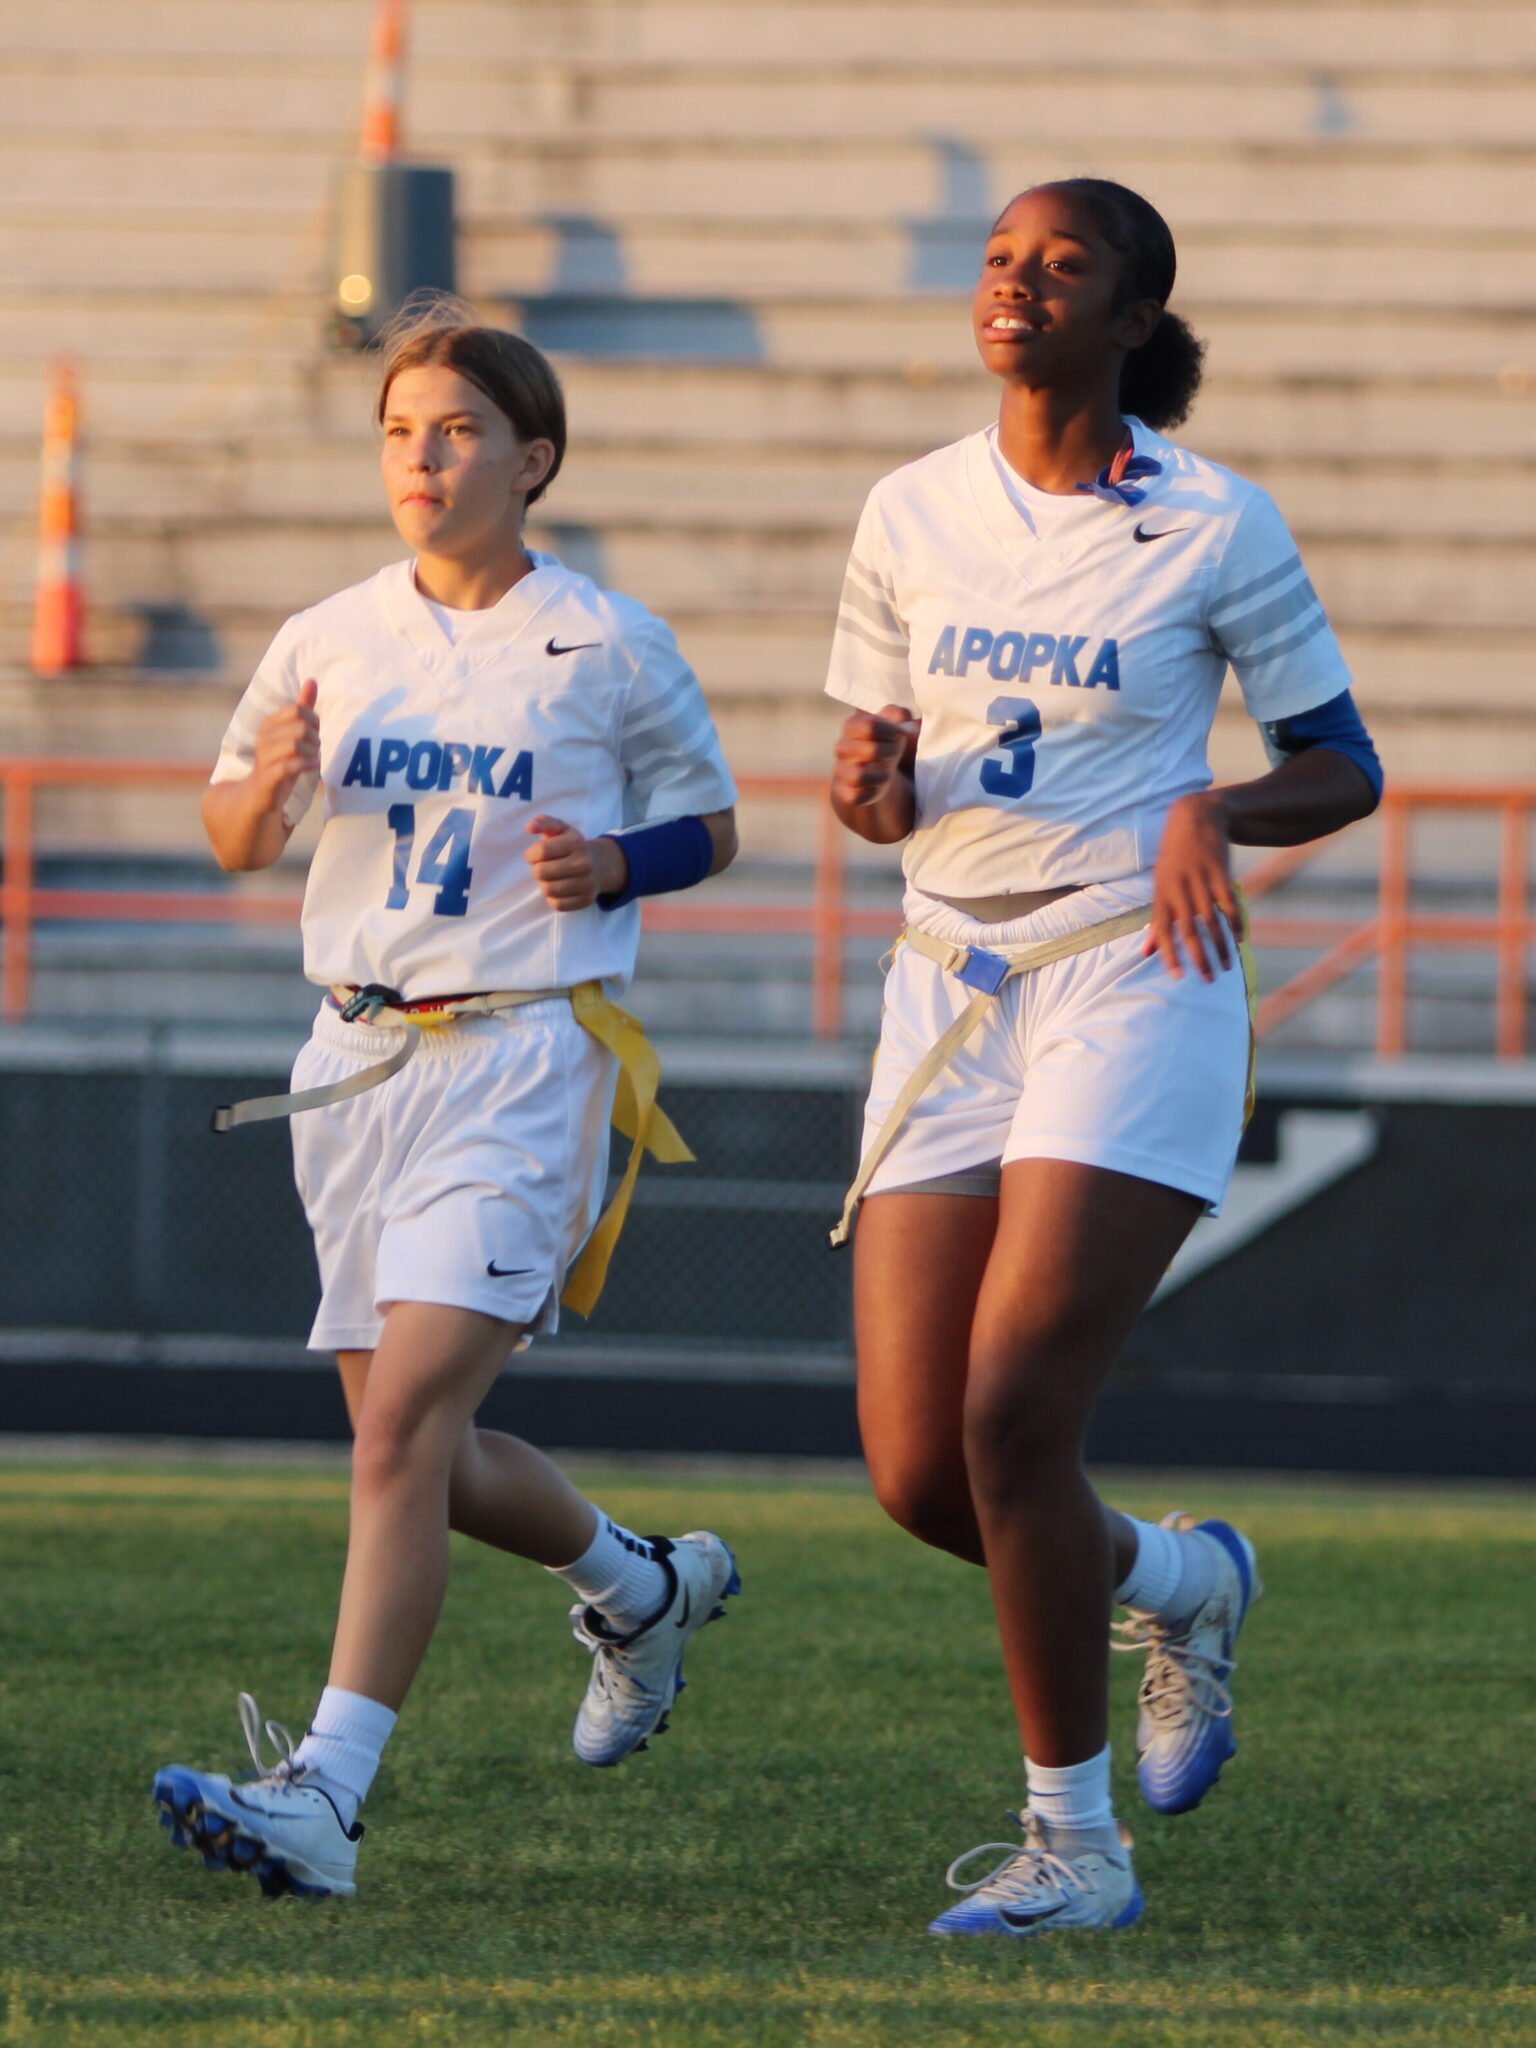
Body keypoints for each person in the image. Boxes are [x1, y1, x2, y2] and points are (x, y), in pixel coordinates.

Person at [826, 179, 1382, 1938]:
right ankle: (1180, 1583)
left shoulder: (1216, 523)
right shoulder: (909, 506)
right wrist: (867, 795)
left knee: (1011, 1416)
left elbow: (1341, 762)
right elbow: (884, 769)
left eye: (1062, 266)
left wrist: (1213, 805)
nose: (1016, 284)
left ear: (1133, 320)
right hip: (947, 983)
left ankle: (1075, 1854)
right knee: (922, 1472)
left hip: (1136, 977)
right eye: (1001, 258)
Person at [152, 301, 742, 1900]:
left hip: (521, 1055)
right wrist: (259, 795)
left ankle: (323, 1800)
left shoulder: (607, 640)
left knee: (402, 1426)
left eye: (460, 428)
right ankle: (641, 1587)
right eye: (402, 429)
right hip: (350, 1063)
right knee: (409, 1436)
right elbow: (229, 831)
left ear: (532, 457)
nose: (424, 454)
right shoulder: (328, 632)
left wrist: (619, 862)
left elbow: (714, 822)